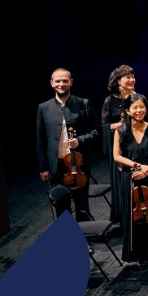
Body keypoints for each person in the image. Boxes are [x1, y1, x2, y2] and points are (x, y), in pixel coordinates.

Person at [112, 94, 148, 267]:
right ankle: (137, 254)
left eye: (142, 107)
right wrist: (137, 166)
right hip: (130, 177)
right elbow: (116, 156)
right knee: (134, 217)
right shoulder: (121, 131)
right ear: (128, 111)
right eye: (135, 108)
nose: (139, 111)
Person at [36, 68, 100, 221]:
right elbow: (40, 140)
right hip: (57, 166)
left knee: (82, 206)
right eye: (57, 81)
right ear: (51, 83)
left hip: (80, 164)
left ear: (71, 82)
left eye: (65, 80)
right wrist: (43, 167)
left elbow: (96, 130)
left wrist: (81, 140)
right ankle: (67, 243)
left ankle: (85, 242)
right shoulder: (43, 108)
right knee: (62, 208)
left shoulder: (83, 103)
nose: (61, 84)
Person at [101, 65, 148, 223]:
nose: (132, 80)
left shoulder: (140, 98)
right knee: (123, 184)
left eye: (133, 76)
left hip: (139, 146)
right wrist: (118, 126)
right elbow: (103, 126)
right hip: (120, 149)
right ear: (118, 81)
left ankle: (144, 212)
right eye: (127, 77)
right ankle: (126, 218)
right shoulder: (109, 101)